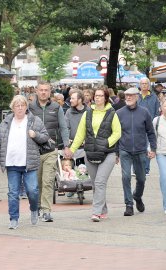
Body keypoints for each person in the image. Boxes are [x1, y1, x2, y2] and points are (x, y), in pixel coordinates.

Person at [0, 95, 49, 229]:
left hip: (29, 163)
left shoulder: (34, 121)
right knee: (13, 192)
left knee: (33, 190)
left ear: (26, 107)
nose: (20, 108)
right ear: (12, 108)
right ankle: (13, 218)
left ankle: (34, 209)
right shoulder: (6, 123)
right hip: (11, 163)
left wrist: (35, 135)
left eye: (22, 105)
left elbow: (45, 136)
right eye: (17, 105)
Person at [70, 88, 121, 222]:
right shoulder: (87, 113)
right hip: (90, 152)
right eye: (96, 96)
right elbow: (80, 134)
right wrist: (72, 149)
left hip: (108, 153)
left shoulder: (112, 113)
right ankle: (103, 210)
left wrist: (106, 143)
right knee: (95, 184)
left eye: (100, 96)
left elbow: (117, 133)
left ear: (105, 98)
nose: (97, 98)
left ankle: (96, 212)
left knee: (99, 182)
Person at [28, 82, 71, 222]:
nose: (43, 92)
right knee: (36, 184)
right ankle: (38, 207)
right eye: (41, 90)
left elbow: (63, 127)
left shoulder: (56, 107)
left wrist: (66, 145)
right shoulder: (30, 108)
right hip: (34, 151)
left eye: (46, 90)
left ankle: (46, 211)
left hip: (50, 150)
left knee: (47, 181)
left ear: (50, 91)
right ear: (36, 91)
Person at [116, 87, 157, 216]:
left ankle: (137, 196)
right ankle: (129, 204)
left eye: (131, 96)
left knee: (141, 179)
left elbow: (151, 132)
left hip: (140, 151)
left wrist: (153, 149)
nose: (128, 98)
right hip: (124, 150)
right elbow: (116, 134)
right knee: (126, 177)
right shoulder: (119, 113)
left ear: (137, 97)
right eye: (127, 95)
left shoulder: (144, 112)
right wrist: (116, 152)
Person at [138, 77, 160, 176]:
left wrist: (154, 123)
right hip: (137, 126)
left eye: (146, 84)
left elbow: (157, 112)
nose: (144, 85)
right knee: (137, 146)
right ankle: (136, 169)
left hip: (149, 126)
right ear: (140, 85)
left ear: (149, 85)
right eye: (142, 84)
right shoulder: (136, 96)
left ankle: (146, 169)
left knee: (147, 147)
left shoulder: (154, 97)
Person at [65, 89, 88, 167]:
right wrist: (67, 140)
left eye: (73, 98)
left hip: (85, 149)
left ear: (80, 100)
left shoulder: (89, 112)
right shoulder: (68, 112)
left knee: (84, 174)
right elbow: (66, 127)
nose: (70, 100)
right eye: (70, 98)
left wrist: (86, 140)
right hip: (72, 147)